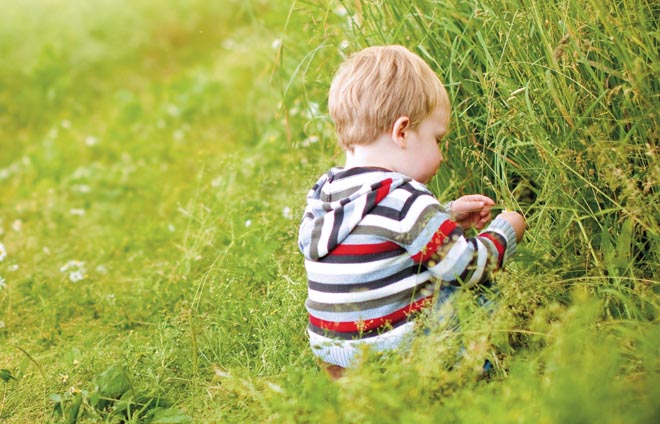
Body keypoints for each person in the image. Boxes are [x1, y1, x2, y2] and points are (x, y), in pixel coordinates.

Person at [297, 45, 526, 379]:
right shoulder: (404, 198)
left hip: (336, 357)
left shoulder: (327, 193)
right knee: (462, 285)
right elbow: (469, 267)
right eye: (437, 139)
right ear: (402, 132)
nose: (442, 156)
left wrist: (444, 215)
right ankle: (481, 369)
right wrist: (507, 228)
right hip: (398, 355)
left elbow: (375, 232)